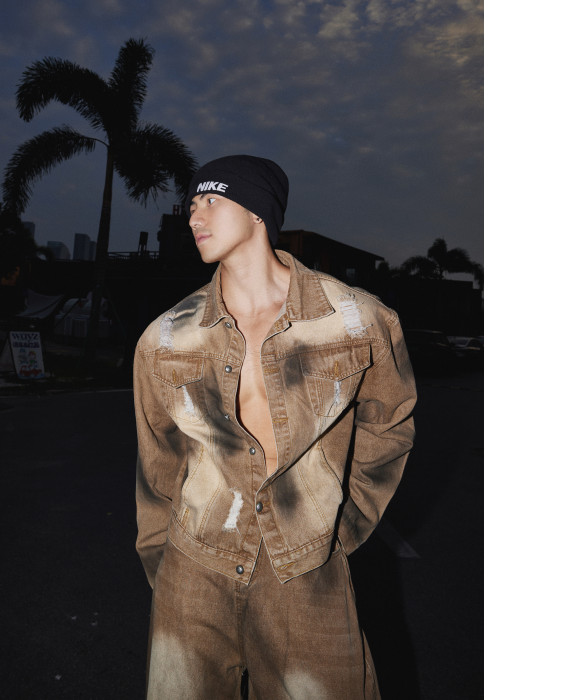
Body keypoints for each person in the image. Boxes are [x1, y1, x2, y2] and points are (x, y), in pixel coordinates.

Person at [133, 155, 416, 699]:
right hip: (195, 563)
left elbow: (389, 426)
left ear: (257, 211)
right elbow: (157, 462)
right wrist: (163, 560)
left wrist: (339, 527)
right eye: (191, 205)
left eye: (211, 200)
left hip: (306, 568)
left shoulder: (357, 320)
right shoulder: (165, 338)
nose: (194, 216)